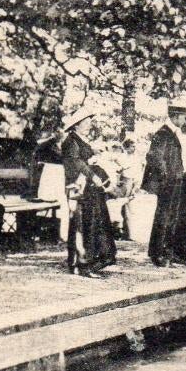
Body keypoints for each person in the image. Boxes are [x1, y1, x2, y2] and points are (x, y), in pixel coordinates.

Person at [61, 108, 117, 277]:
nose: (89, 125)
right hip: (78, 189)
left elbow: (83, 159)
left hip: (88, 188)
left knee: (91, 223)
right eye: (86, 122)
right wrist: (92, 174)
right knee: (82, 225)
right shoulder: (71, 141)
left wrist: (94, 157)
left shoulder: (80, 140)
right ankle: (82, 264)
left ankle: (86, 262)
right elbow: (76, 163)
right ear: (76, 125)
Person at [142, 104, 186, 266]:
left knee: (170, 217)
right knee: (164, 217)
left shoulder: (171, 133)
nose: (185, 119)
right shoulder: (163, 133)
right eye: (183, 116)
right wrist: (167, 176)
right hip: (168, 183)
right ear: (175, 116)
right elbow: (154, 157)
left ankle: (165, 252)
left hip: (174, 181)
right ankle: (158, 254)